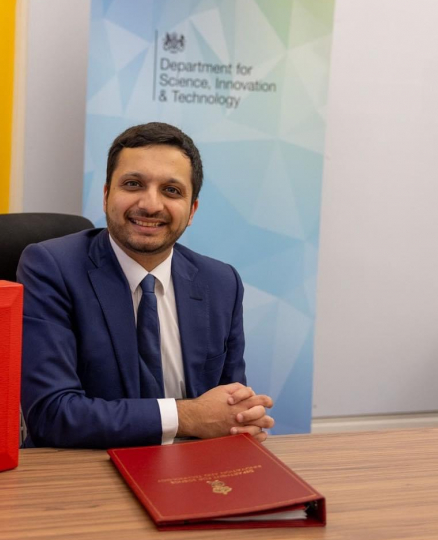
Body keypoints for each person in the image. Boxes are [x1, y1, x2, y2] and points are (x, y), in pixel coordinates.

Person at [17, 122, 274, 448]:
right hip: (86, 475)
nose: (151, 204)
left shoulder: (221, 283)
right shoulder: (51, 268)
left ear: (192, 210)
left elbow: (228, 406)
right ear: (107, 194)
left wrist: (242, 420)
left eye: (171, 190)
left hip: (191, 474)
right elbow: (51, 415)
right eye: (134, 184)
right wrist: (189, 416)